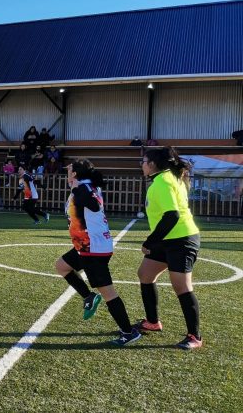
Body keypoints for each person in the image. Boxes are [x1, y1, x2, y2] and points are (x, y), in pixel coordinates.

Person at [54, 159, 142, 346]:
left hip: (93, 249)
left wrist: (78, 190)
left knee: (108, 293)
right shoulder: (85, 186)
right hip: (86, 246)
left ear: (75, 173)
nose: (67, 172)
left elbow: (93, 205)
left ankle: (128, 332)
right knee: (62, 266)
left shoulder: (83, 188)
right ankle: (88, 296)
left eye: (69, 169)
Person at [136, 147, 203, 350]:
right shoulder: (167, 178)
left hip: (181, 239)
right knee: (145, 274)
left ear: (153, 164)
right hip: (168, 238)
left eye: (144, 161)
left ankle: (195, 336)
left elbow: (172, 216)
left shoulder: (163, 181)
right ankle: (152, 322)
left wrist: (150, 241)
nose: (142, 164)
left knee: (181, 286)